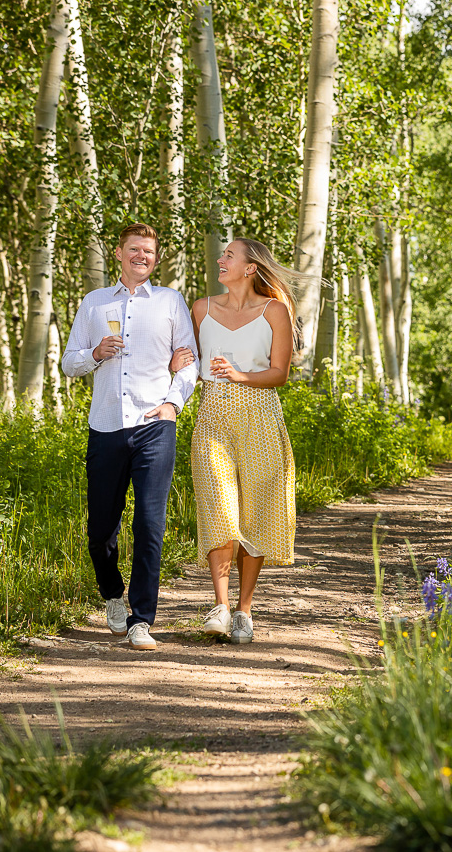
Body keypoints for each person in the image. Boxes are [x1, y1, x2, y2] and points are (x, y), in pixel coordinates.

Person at [62, 223, 198, 651]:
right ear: (119, 253)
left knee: (150, 524)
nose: (143, 256)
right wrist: (94, 354)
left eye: (150, 252)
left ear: (156, 259)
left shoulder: (170, 301)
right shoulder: (94, 302)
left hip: (155, 423)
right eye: (135, 249)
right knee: (101, 530)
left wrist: (173, 404)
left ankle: (142, 619)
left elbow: (189, 362)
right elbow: (69, 363)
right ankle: (112, 596)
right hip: (105, 426)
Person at [171, 238, 296, 644]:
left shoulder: (275, 310)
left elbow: (280, 373)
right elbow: (184, 356)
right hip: (212, 417)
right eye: (221, 253)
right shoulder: (201, 308)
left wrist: (240, 374)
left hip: (261, 417)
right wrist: (177, 361)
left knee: (255, 512)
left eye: (229, 255)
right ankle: (220, 607)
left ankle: (244, 611)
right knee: (220, 510)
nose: (220, 259)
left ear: (249, 268)